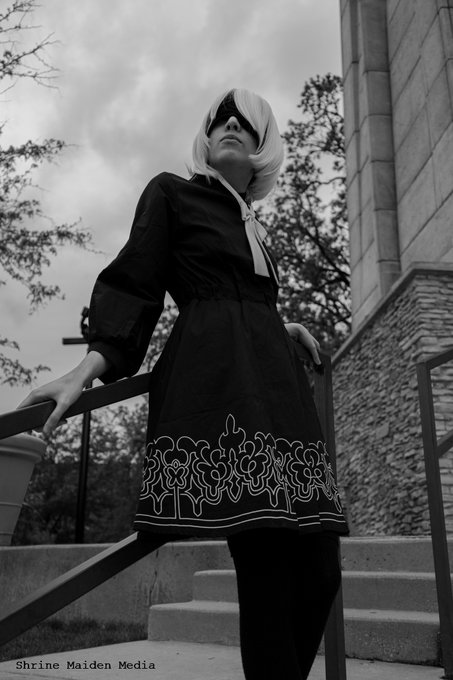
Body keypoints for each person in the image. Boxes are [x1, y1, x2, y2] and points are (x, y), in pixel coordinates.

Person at [19, 88, 349, 680]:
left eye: (244, 122)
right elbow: (136, 283)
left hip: (279, 390)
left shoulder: (254, 223)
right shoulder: (172, 192)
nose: (229, 125)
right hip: (225, 394)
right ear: (206, 136)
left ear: (264, 144)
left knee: (322, 565)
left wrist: (281, 326)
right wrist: (86, 368)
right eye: (219, 119)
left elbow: (241, 298)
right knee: (267, 566)